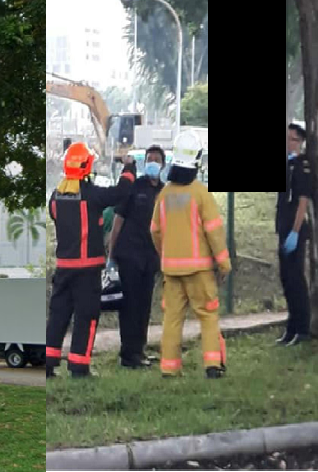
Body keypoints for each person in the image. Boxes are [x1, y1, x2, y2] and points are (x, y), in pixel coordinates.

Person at [46, 143, 137, 379]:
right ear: (86, 167)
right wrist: (129, 168)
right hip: (87, 270)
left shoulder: (55, 197)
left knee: (58, 316)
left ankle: (48, 364)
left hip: (64, 268)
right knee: (86, 318)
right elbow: (121, 192)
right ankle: (79, 366)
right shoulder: (92, 195)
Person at [151, 131, 231, 379]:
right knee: (207, 316)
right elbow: (214, 232)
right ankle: (213, 366)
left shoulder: (164, 195)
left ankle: (169, 368)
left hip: (171, 272)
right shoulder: (200, 193)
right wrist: (224, 263)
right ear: (197, 160)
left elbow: (155, 230)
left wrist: (166, 255)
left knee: (172, 320)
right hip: (200, 271)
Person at [108, 145, 166, 369]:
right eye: (149, 159)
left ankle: (139, 351)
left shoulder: (164, 191)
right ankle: (128, 354)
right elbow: (118, 221)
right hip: (129, 255)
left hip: (151, 257)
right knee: (129, 306)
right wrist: (111, 255)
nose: (152, 162)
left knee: (143, 307)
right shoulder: (134, 187)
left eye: (156, 159)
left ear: (162, 164)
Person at [275, 121, 313, 346]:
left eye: (293, 139)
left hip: (295, 229)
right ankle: (290, 327)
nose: (289, 143)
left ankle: (303, 328)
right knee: (286, 280)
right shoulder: (287, 165)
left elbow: (302, 202)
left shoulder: (302, 166)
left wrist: (295, 232)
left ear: (300, 142)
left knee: (296, 279)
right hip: (283, 227)